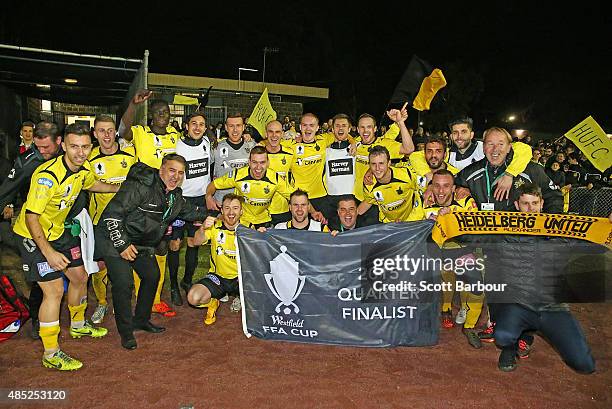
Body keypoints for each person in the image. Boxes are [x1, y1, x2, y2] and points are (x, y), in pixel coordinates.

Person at [12, 123, 119, 370]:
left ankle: (79, 325)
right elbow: (31, 216)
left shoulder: (83, 170)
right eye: (74, 147)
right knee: (54, 291)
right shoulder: (47, 176)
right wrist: (48, 253)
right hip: (32, 235)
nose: (80, 152)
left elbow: (91, 184)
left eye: (84, 147)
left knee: (80, 276)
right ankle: (51, 353)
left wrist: (117, 187)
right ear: (63, 146)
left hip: (58, 231)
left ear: (90, 147)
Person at [454, 127, 564, 343]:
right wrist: (460, 190)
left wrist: (547, 229)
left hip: (523, 246)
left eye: (500, 144)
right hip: (490, 245)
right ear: (482, 146)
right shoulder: (472, 172)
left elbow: (554, 196)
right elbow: (453, 187)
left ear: (509, 147)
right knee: (495, 289)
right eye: (490, 144)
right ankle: (495, 325)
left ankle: (525, 337)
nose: (495, 150)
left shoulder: (530, 170)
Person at [97, 154, 207, 350]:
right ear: (161, 169)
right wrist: (122, 244)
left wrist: (219, 214)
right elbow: (111, 215)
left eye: (181, 173)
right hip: (115, 240)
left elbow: (192, 211)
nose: (176, 177)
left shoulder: (174, 196)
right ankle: (126, 331)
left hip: (141, 244)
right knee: (124, 283)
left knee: (152, 275)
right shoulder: (140, 186)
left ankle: (141, 319)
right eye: (172, 171)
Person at [485, 184, 597, 373]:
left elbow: (593, 235)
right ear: (516, 205)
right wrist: (445, 218)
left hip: (551, 305)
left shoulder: (561, 229)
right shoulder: (503, 229)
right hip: (517, 302)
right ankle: (510, 348)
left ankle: (527, 336)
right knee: (503, 334)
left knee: (584, 365)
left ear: (542, 203)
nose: (530, 209)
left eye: (534, 203)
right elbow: (470, 232)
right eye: (525, 204)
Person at [119, 89, 182, 317]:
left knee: (162, 246)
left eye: (165, 112)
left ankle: (155, 299)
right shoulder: (140, 132)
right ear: (152, 116)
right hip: (143, 200)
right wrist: (133, 106)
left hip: (166, 201)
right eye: (158, 112)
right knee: (142, 248)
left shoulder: (175, 136)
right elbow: (122, 130)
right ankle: (143, 296)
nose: (162, 115)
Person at [0, 121, 63, 339]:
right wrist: (6, 205)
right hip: (36, 225)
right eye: (37, 147)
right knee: (42, 275)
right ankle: (38, 318)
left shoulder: (71, 154)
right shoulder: (27, 161)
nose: (41, 152)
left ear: (59, 141)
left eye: (46, 147)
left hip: (63, 224)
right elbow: (6, 190)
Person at [422, 170, 482, 347]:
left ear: (454, 188)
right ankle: (445, 309)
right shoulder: (423, 202)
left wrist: (451, 220)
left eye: (446, 186)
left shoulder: (465, 202)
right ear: (431, 187)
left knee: (477, 284)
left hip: (462, 251)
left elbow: (475, 232)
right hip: (435, 252)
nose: (441, 191)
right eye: (437, 186)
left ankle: (469, 327)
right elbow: (409, 226)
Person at [87, 115, 137, 324]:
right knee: (100, 266)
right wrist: (119, 189)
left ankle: (121, 302)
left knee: (129, 261)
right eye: (101, 131)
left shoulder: (130, 153)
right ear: (95, 133)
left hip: (127, 220)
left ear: (115, 131)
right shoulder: (88, 158)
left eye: (110, 130)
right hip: (100, 221)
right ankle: (101, 302)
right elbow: (86, 184)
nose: (106, 135)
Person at [206, 146, 324, 228]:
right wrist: (208, 196)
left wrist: (313, 212)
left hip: (264, 221)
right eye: (254, 162)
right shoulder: (238, 175)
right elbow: (213, 184)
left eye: (262, 162)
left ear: (268, 163)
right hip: (242, 221)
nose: (258, 167)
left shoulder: (275, 179)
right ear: (249, 162)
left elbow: (297, 197)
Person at [167, 111, 215, 306]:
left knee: (194, 243)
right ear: (186, 126)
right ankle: (172, 286)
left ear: (205, 127)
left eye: (201, 124)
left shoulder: (207, 144)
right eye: (193, 123)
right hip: (180, 202)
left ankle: (187, 281)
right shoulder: (177, 146)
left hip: (199, 203)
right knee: (175, 245)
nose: (197, 127)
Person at [188, 194, 244, 324]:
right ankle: (213, 301)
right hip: (218, 278)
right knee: (193, 298)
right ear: (222, 211)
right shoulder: (215, 227)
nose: (231, 212)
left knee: (263, 299)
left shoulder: (249, 230)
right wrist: (203, 228)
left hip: (240, 278)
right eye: (227, 208)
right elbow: (195, 242)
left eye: (235, 208)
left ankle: (241, 297)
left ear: (241, 211)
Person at [357, 146, 423, 223]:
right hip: (389, 224)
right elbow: (368, 201)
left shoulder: (405, 175)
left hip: (414, 220)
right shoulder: (368, 184)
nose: (377, 168)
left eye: (381, 163)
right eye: (373, 164)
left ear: (389, 163)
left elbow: (425, 188)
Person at [210, 113, 256, 208]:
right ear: (226, 128)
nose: (235, 130)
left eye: (238, 126)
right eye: (231, 126)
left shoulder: (252, 146)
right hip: (221, 203)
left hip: (246, 204)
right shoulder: (216, 147)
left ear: (243, 127)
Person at [261, 120, 295, 225]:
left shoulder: (290, 153)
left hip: (283, 210)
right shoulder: (258, 153)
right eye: (270, 132)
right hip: (262, 211)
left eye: (278, 132)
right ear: (266, 134)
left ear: (282, 134)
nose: (274, 135)